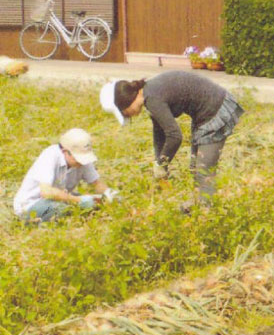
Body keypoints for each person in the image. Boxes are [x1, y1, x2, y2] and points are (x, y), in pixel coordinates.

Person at [100, 71, 244, 210]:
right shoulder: (149, 93)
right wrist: (159, 162)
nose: (129, 116)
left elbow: (175, 136)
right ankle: (198, 206)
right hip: (203, 115)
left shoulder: (153, 98)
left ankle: (208, 216)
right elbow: (159, 132)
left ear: (127, 102)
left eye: (125, 113)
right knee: (195, 168)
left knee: (204, 172)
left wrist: (162, 163)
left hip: (215, 110)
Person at [13, 128, 116, 222]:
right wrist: (78, 200)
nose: (82, 162)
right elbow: (46, 192)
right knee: (64, 209)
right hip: (31, 204)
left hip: (58, 199)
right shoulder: (50, 156)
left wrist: (110, 195)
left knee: (95, 203)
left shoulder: (82, 160)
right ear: (65, 152)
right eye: (78, 158)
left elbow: (97, 183)